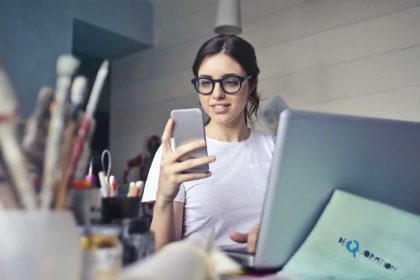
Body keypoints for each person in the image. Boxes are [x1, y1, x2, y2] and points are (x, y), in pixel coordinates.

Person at [142, 34, 275, 253]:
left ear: (252, 85)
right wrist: (164, 197)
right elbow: (163, 254)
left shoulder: (275, 149)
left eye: (230, 81)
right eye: (206, 83)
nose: (217, 94)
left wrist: (272, 235)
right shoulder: (177, 153)